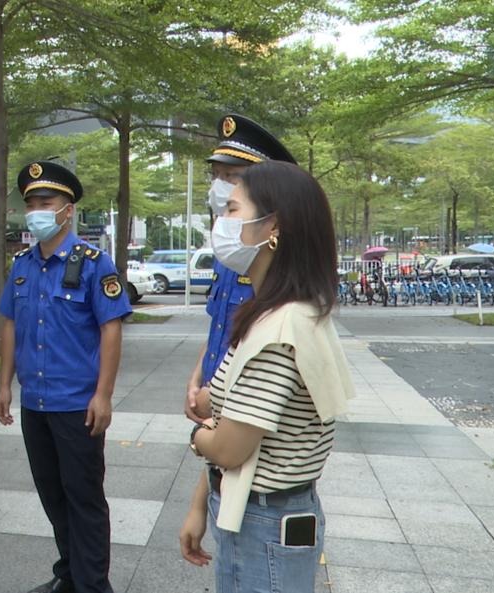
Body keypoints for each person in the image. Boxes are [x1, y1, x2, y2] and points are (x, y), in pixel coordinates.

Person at [179, 160, 354, 591]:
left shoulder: (277, 330)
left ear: (271, 227)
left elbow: (229, 448)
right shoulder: (284, 311)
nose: (221, 222)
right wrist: (200, 502)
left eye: (233, 210)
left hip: (263, 524)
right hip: (260, 512)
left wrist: (200, 432)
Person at [0, 161, 132, 593]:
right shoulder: (22, 265)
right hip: (35, 403)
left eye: (46, 202)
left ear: (67, 210)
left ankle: (93, 585)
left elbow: (111, 327)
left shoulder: (94, 263)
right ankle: (70, 575)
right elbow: (10, 324)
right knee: (53, 498)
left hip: (77, 405)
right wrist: (3, 385)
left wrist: (104, 395)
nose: (36, 210)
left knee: (84, 500)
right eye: (31, 203)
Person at [185, 115, 298, 424]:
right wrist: (197, 381)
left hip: (249, 409)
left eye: (232, 176)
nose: (220, 186)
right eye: (216, 174)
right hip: (215, 401)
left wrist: (214, 398)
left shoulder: (273, 257)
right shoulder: (229, 249)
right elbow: (219, 328)